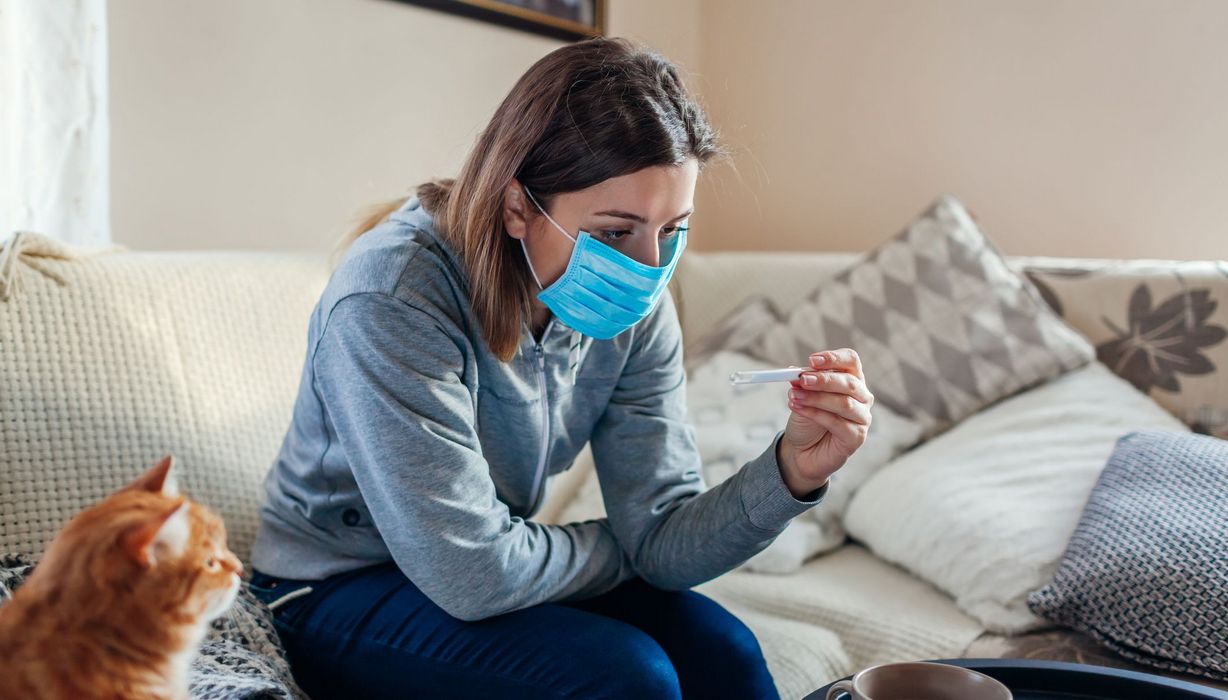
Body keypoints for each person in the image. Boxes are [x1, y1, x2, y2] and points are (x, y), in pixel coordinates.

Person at [247, 36, 874, 700]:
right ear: (518, 206)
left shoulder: (638, 305)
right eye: (614, 232)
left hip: (482, 568)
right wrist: (632, 547)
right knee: (629, 677)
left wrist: (792, 472)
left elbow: (663, 535)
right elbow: (476, 574)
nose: (647, 265)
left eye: (673, 229)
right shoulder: (392, 299)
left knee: (727, 654)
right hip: (331, 589)